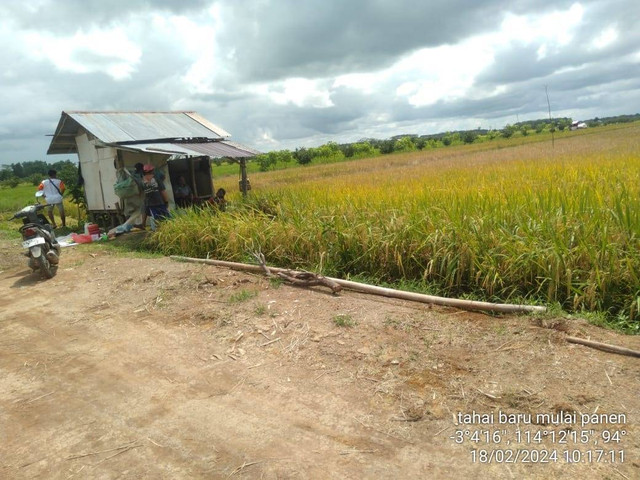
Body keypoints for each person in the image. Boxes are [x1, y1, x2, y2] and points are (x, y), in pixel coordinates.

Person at [141, 164, 170, 228]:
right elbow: (163, 192)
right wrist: (166, 201)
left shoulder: (142, 181)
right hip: (160, 202)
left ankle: (159, 232)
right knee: (166, 219)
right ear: (152, 170)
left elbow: (143, 194)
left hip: (150, 204)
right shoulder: (157, 179)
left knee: (157, 220)